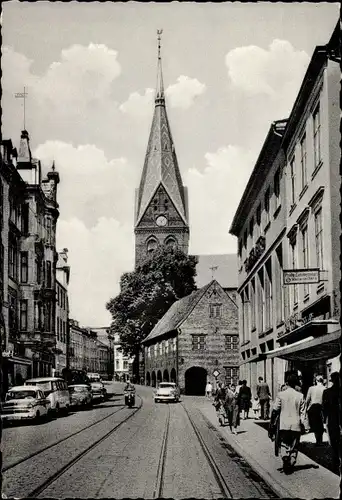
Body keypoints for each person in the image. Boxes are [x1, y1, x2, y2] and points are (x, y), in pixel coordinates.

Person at [272, 373, 306, 473]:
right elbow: (303, 412)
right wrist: (302, 422)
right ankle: (291, 460)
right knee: (294, 445)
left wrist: (272, 423)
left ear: (286, 383)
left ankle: (285, 457)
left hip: (284, 424)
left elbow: (275, 409)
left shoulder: (281, 394)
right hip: (296, 424)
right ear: (296, 383)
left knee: (283, 443)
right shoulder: (300, 396)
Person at [322, 372, 340, 472]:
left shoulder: (327, 392)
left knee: (334, 442)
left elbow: (324, 408)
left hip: (333, 420)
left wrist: (325, 420)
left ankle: (335, 462)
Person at [305, 375, 325, 445]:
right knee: (321, 424)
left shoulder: (311, 388)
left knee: (315, 425)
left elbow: (307, 400)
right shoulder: (325, 388)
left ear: (316, 381)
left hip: (313, 409)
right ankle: (320, 440)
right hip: (321, 409)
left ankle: (318, 441)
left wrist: (305, 409)